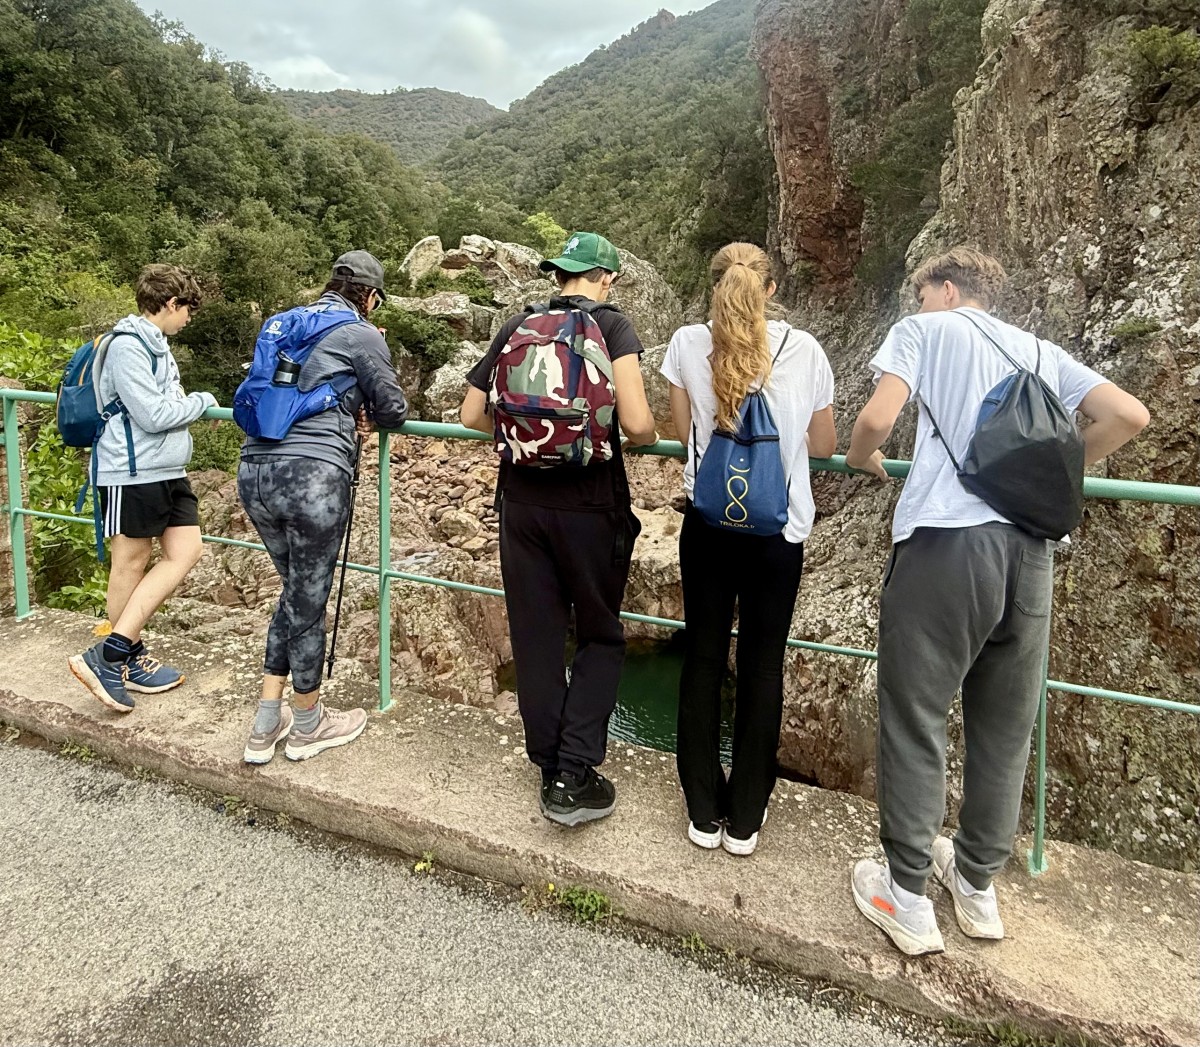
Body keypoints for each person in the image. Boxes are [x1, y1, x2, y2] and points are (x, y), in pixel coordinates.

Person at [845, 246, 1150, 955]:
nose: (919, 305)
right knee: (1006, 724)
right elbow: (1128, 415)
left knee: (916, 712)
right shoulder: (1039, 351)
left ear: (947, 289)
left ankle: (906, 894)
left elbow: (877, 420)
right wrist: (1043, 475)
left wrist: (861, 459)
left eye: (924, 293)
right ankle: (977, 885)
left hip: (948, 547)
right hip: (1032, 554)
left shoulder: (926, 330)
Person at [460, 231, 658, 826]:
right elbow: (638, 424)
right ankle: (574, 774)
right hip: (591, 506)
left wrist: (530, 438)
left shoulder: (518, 323)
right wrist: (631, 438)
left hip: (521, 504)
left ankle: (547, 762)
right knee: (600, 634)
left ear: (559, 274)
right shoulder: (612, 327)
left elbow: (471, 415)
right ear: (607, 277)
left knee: (537, 637)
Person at [661, 242, 836, 856]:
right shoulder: (805, 350)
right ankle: (745, 818)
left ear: (714, 286)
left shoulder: (687, 344)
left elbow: (679, 430)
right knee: (763, 667)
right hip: (777, 533)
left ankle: (701, 811)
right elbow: (823, 445)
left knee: (704, 659)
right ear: (770, 289)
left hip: (708, 526)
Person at [238, 250, 409, 765]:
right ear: (370, 295)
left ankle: (267, 722)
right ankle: (308, 724)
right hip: (313, 476)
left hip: (255, 472)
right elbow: (394, 409)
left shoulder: (284, 322)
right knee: (307, 602)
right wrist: (364, 411)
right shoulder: (361, 333)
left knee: (296, 594)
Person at [68, 264, 215, 712]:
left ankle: (112, 652)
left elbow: (165, 404)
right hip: (130, 473)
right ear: (171, 303)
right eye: (187, 309)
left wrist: (184, 404)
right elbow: (153, 415)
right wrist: (202, 402)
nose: (188, 319)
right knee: (130, 563)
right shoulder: (127, 347)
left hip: (166, 469)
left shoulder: (157, 345)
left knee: (187, 550)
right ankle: (121, 659)